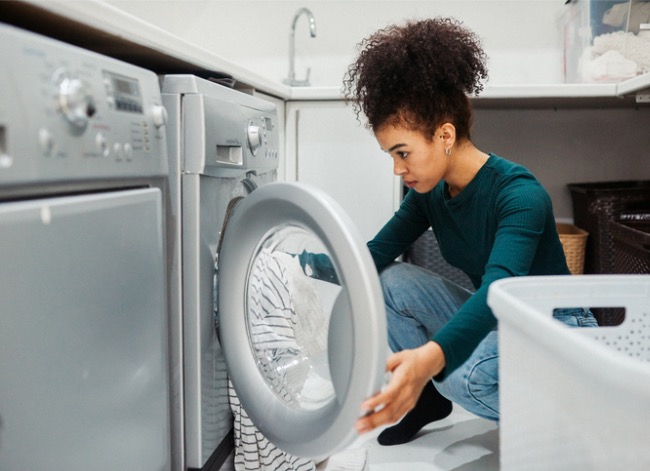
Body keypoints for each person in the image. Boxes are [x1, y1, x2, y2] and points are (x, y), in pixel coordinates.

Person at [343, 17, 598, 446]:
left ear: (444, 134)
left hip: (559, 330)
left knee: (464, 375)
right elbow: (374, 254)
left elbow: (499, 289)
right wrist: (294, 263)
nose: (397, 168)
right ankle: (429, 399)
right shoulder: (430, 193)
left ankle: (573, 418)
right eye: (391, 155)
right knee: (386, 280)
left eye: (403, 152)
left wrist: (430, 359)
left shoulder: (519, 194)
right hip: (506, 326)